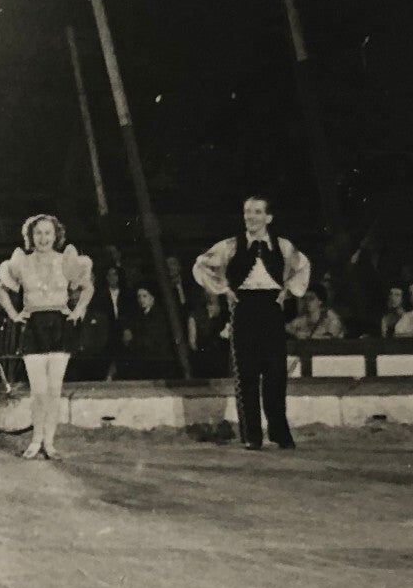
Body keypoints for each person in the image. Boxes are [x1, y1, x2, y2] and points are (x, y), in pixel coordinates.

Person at [192, 193, 311, 451]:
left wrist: (287, 291)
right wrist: (224, 289)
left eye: (257, 212)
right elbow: (201, 265)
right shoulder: (231, 245)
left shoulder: (282, 246)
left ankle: (279, 433)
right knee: (246, 373)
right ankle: (252, 435)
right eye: (247, 212)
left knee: (276, 373)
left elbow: (303, 267)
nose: (251, 217)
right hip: (243, 309)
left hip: (271, 310)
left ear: (268, 217)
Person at [0, 214, 93, 461]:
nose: (43, 238)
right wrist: (14, 315)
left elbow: (88, 287)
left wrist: (79, 310)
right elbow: (1, 289)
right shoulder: (21, 263)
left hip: (60, 326)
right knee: (38, 391)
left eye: (48, 233)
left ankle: (49, 443)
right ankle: (35, 440)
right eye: (38, 233)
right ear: (31, 236)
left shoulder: (66, 261)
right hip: (33, 326)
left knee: (54, 389)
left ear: (56, 235)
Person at [90, 263, 131, 381]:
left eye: (115, 275)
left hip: (122, 329)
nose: (112, 278)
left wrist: (126, 328)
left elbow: (130, 313)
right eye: (109, 275)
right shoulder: (100, 294)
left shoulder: (127, 293)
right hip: (107, 330)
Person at [127, 285, 175, 376]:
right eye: (139, 296)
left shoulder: (159, 315)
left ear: (152, 298)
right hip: (146, 359)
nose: (141, 299)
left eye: (145, 296)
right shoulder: (139, 315)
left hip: (158, 360)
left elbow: (151, 338)